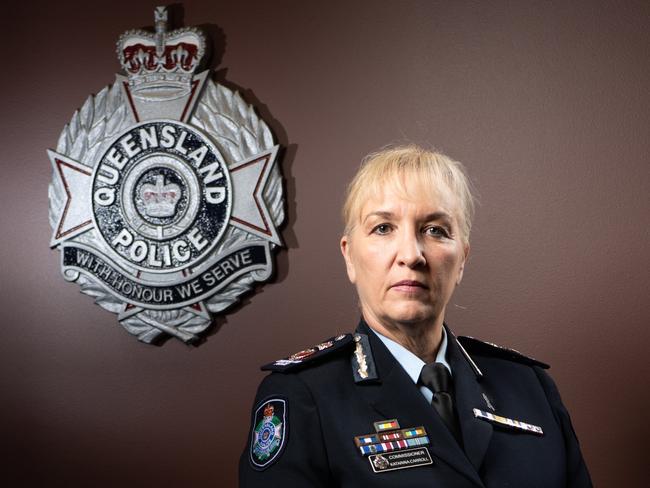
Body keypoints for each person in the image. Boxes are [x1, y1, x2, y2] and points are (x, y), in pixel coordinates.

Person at [239, 145, 592, 487]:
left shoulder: (530, 387)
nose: (411, 254)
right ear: (349, 257)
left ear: (463, 260)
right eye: (383, 228)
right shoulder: (301, 396)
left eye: (435, 230)